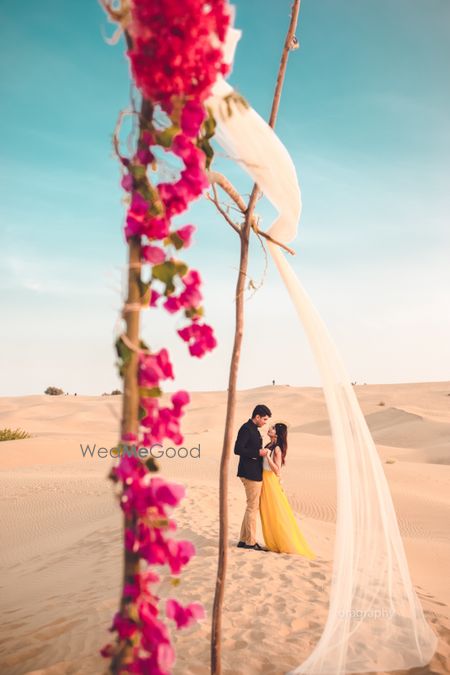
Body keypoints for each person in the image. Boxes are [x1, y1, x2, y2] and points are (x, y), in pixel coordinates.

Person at [260, 422, 315, 558]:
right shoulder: (269, 445)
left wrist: (267, 456)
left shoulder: (277, 449)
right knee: (267, 513)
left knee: (276, 512)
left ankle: (283, 543)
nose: (269, 429)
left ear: (277, 433)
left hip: (270, 481)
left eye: (272, 428)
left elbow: (278, 471)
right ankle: (272, 542)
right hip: (264, 480)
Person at [234, 404, 272, 551]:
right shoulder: (246, 428)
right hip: (250, 474)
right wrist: (258, 452)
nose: (265, 422)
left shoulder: (253, 429)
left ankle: (243, 540)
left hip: (252, 472)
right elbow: (238, 449)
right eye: (264, 419)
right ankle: (250, 542)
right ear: (257, 417)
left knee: (250, 507)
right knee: (252, 508)